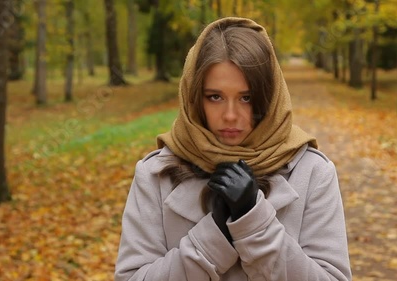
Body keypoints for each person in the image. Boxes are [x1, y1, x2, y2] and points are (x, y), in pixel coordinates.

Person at [115, 17, 352, 281]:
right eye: (215, 97)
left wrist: (253, 221)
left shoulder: (312, 172)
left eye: (246, 98)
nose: (230, 115)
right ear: (195, 97)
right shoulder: (155, 174)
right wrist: (214, 235)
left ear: (269, 97)